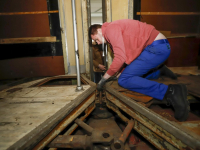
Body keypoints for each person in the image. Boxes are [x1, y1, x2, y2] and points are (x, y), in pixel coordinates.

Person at [89, 19, 190, 122]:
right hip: (158, 46)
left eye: (96, 39)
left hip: (155, 49)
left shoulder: (110, 29)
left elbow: (120, 58)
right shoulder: (114, 28)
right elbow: (128, 57)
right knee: (128, 76)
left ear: (99, 30)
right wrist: (121, 72)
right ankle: (157, 72)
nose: (97, 43)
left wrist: (104, 79)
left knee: (124, 80)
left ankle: (170, 92)